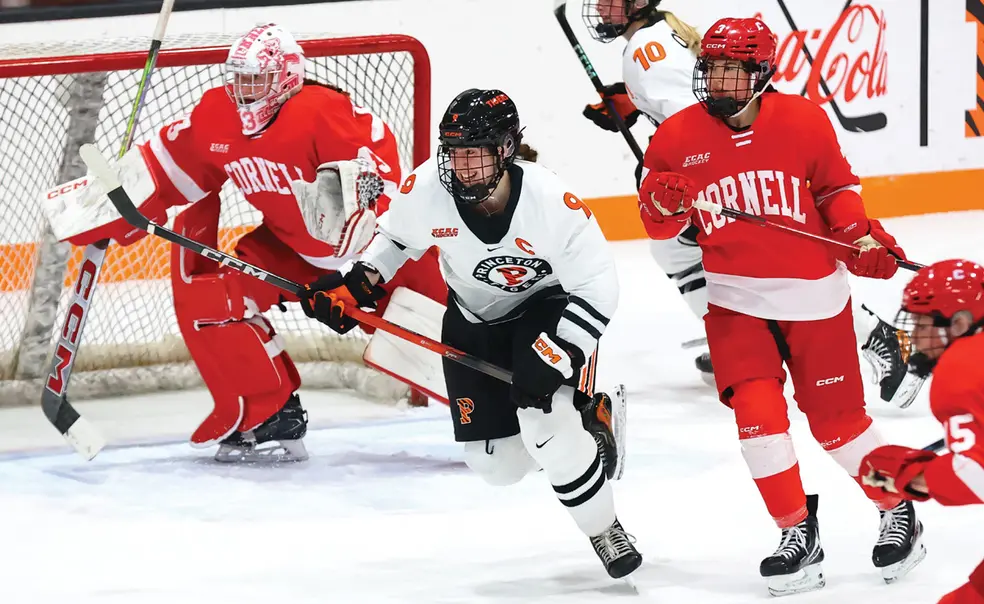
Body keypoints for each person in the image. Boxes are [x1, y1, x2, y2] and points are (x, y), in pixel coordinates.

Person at [57, 23, 446, 462]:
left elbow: (383, 196)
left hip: (378, 258)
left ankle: (503, 412)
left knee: (443, 354)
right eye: (237, 78)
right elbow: (165, 166)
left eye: (255, 78)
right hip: (289, 252)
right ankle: (266, 410)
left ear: (285, 77)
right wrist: (112, 204)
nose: (243, 90)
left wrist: (357, 256)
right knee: (214, 297)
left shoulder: (323, 114)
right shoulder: (216, 117)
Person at [300, 88, 642, 580]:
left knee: (545, 424)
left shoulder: (549, 200)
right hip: (473, 320)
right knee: (495, 465)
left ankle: (604, 528)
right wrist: (358, 283)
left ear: (505, 149)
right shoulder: (426, 192)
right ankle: (589, 426)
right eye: (454, 152)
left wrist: (561, 352)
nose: (462, 167)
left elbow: (597, 284)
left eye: (474, 152)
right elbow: (396, 239)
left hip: (543, 310)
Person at [636, 17, 925, 595]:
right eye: (710, 69)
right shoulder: (674, 138)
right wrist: (662, 207)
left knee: (840, 427)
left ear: (762, 73)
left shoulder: (803, 121)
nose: (717, 83)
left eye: (731, 72)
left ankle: (898, 509)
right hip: (734, 302)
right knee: (758, 421)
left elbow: (835, 191)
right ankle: (798, 532)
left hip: (814, 299)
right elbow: (659, 223)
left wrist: (858, 239)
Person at [581, 1, 922, 408]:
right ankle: (741, 334)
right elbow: (699, 94)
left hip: (733, 163)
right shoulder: (658, 35)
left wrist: (690, 181)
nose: (600, 6)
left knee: (780, 261)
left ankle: (868, 333)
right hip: (748, 151)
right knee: (677, 250)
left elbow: (700, 119)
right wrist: (633, 100)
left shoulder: (644, 49)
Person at [861, 259, 984, 604]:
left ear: (959, 324)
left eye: (922, 322)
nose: (914, 335)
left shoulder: (960, 371)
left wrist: (912, 474)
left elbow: (976, 474)